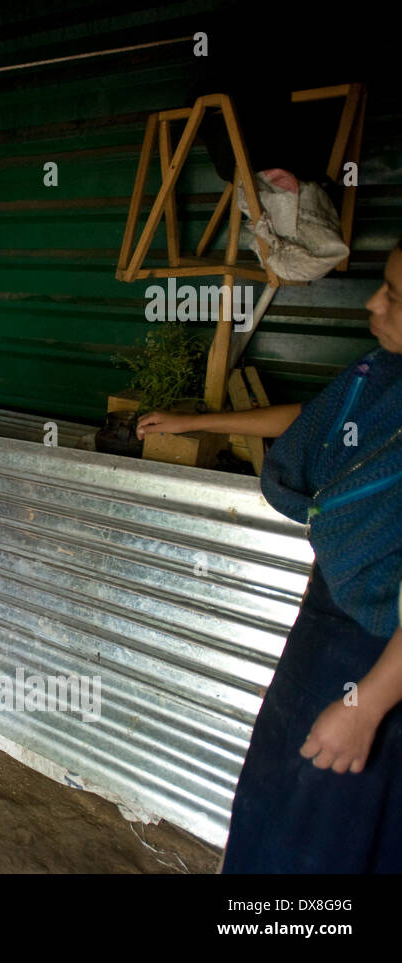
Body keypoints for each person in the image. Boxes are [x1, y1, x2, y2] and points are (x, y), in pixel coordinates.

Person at [136, 239, 402, 872]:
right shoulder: (384, 376)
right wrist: (195, 422)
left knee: (324, 834)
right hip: (329, 629)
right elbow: (315, 422)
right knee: (272, 801)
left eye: (394, 294)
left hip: (379, 660)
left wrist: (366, 705)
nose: (373, 301)